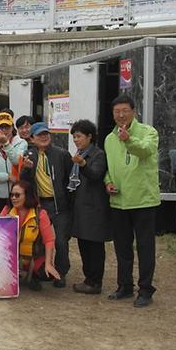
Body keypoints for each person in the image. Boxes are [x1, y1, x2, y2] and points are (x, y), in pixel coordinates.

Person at [104, 95, 159, 308]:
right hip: (119, 201)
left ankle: (145, 290)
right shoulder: (110, 138)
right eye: (117, 111)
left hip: (143, 200)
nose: (121, 115)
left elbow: (145, 150)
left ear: (133, 111)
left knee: (145, 247)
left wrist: (128, 139)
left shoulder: (148, 132)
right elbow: (109, 168)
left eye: (125, 110)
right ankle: (124, 286)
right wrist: (108, 182)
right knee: (122, 248)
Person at [19, 121, 73, 288]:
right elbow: (23, 183)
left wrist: (69, 203)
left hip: (59, 205)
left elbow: (70, 178)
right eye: (39, 135)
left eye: (46, 134)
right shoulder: (29, 155)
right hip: (39, 206)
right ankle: (36, 273)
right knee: (37, 240)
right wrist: (27, 169)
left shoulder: (62, 154)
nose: (43, 137)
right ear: (32, 139)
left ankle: (61, 272)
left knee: (61, 241)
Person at [68, 119, 111, 295]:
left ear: (89, 136)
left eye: (79, 136)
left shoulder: (98, 155)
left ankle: (95, 282)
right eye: (74, 137)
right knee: (83, 244)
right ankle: (88, 279)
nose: (76, 140)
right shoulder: (80, 153)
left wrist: (83, 164)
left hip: (94, 208)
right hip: (81, 207)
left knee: (94, 246)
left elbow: (96, 175)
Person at [0, 180, 61, 291]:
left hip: (34, 258)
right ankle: (13, 272)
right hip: (12, 258)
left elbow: (49, 241)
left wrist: (48, 263)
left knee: (46, 274)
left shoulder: (40, 214)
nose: (13, 198)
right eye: (12, 195)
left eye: (17, 195)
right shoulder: (7, 211)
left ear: (27, 196)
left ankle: (34, 276)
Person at [0, 112, 27, 217]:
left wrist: (6, 144)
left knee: (16, 227)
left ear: (12, 128)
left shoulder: (21, 143)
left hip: (17, 195)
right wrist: (7, 177)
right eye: (1, 127)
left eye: (7, 127)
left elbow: (17, 160)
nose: (4, 130)